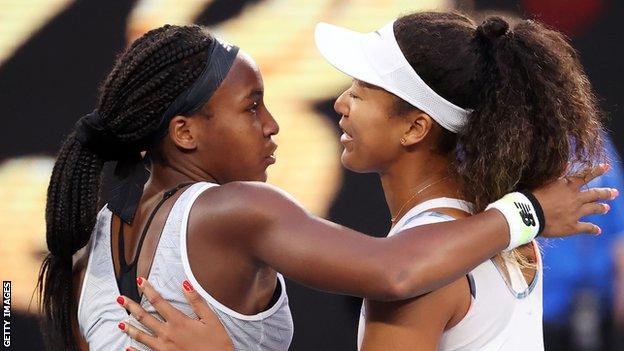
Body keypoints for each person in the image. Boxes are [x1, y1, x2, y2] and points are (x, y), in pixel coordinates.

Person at [36, 24, 614, 351]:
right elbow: (392, 269)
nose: (275, 123)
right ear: (184, 132)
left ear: (416, 126)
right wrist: (528, 210)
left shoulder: (95, 245)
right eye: (252, 107)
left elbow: (397, 272)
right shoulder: (496, 239)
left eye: (360, 89)